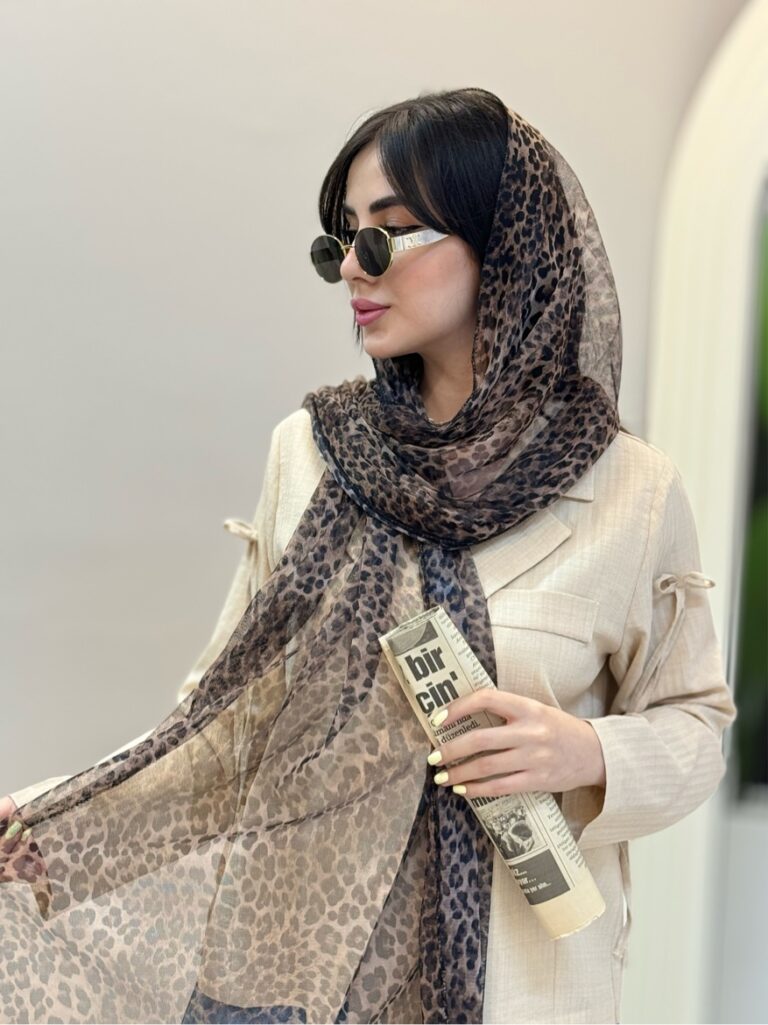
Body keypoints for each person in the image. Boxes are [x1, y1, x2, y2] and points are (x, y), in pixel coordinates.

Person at [0, 87, 736, 1025]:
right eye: (341, 240)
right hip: (299, 968)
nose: (352, 265)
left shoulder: (632, 489)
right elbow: (227, 719)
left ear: (500, 241)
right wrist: (61, 819)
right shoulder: (312, 453)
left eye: (385, 235)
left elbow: (695, 723)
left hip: (517, 985)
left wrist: (586, 750)